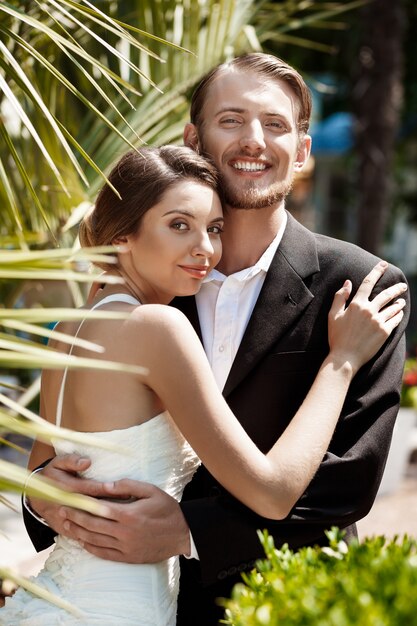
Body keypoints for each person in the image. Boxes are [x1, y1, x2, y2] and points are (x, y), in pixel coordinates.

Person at [21, 53, 409, 625]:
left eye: (275, 124)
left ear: (302, 151)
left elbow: (346, 481)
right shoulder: (154, 290)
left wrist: (188, 531)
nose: (254, 140)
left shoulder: (361, 286)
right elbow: (64, 461)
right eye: (231, 119)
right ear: (193, 138)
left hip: (277, 601)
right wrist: (40, 495)